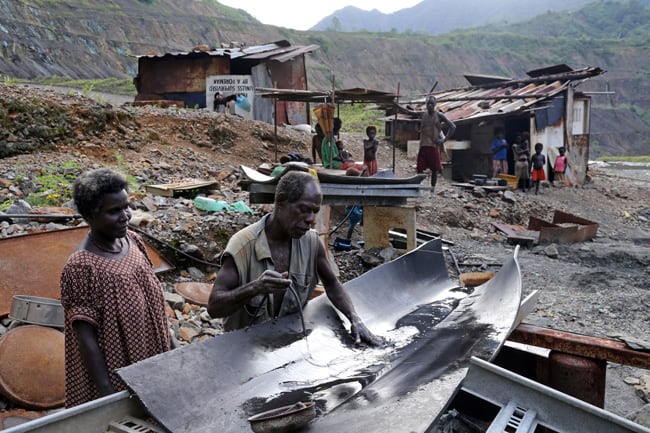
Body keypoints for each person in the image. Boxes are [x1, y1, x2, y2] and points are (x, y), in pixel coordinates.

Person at [207, 170, 380, 346]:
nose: (311, 220)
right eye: (304, 210)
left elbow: (333, 285)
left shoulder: (312, 243)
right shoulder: (243, 246)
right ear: (281, 201)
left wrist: (354, 319)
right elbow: (214, 307)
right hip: (242, 353)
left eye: (315, 211)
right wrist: (255, 288)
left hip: (286, 348)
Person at [60, 168, 171, 407]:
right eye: (113, 211)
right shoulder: (82, 266)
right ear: (90, 216)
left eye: (126, 207)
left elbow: (155, 305)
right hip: (115, 370)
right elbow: (85, 337)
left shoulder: (133, 241)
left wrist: (173, 348)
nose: (125, 216)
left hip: (150, 355)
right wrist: (107, 394)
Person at [398, 96, 456, 195]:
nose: (430, 105)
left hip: (433, 146)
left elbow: (453, 126)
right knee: (420, 168)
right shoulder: (422, 114)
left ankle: (432, 190)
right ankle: (418, 187)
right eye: (428, 103)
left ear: (435, 105)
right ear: (426, 104)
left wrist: (444, 139)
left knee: (434, 169)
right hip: (423, 146)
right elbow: (409, 112)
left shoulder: (439, 115)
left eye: (432, 104)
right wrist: (397, 105)